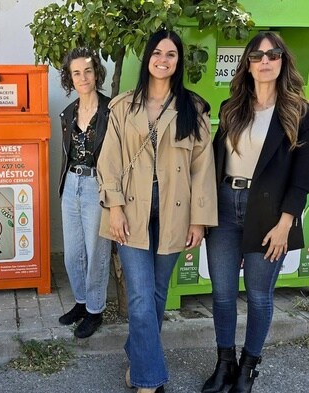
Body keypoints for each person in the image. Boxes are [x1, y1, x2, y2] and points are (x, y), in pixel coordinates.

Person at [97, 30, 217, 393]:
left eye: (171, 55)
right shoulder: (123, 107)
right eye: (158, 53)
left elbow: (203, 167)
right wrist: (114, 208)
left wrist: (199, 219)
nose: (163, 60)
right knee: (139, 294)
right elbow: (110, 162)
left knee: (157, 293)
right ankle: (149, 381)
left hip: (175, 212)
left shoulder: (192, 109)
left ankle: (138, 354)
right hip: (130, 210)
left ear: (178, 63)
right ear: (148, 57)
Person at [202, 31, 309, 393]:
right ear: (247, 64)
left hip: (269, 215)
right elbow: (215, 163)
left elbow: (302, 177)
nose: (265, 61)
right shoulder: (232, 108)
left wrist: (285, 224)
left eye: (273, 54)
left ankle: (248, 369)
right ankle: (224, 365)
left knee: (260, 295)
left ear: (282, 62)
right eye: (258, 55)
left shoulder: (299, 112)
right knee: (221, 294)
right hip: (224, 208)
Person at [57, 47, 111, 339]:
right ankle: (81, 302)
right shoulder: (67, 113)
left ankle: (95, 310)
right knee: (73, 254)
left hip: (97, 186)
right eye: (76, 72)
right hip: (72, 185)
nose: (83, 77)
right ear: (70, 78)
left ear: (97, 73)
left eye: (87, 71)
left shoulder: (112, 109)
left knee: (96, 254)